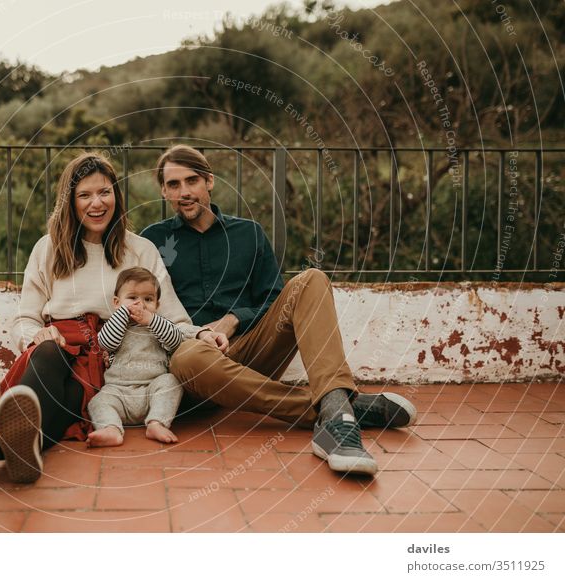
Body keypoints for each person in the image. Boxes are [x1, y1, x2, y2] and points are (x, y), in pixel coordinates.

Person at [0, 152, 223, 486]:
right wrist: (36, 335)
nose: (97, 203)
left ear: (117, 198)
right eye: (85, 195)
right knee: (48, 355)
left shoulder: (141, 250)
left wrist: (202, 334)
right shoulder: (47, 249)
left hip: (107, 361)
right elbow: (25, 317)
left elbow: (172, 317)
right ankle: (3, 447)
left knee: (69, 400)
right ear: (70, 202)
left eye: (104, 192)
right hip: (55, 352)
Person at [141, 145, 417, 476]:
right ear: (163, 190)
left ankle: (334, 416)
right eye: (174, 185)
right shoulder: (153, 241)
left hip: (251, 348)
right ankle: (336, 408)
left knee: (311, 279)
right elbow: (144, 304)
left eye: (192, 180)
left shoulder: (248, 233)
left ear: (209, 181)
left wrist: (233, 320)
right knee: (186, 357)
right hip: (195, 365)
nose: (184, 192)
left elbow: (272, 297)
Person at [86, 267, 184, 447]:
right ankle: (111, 428)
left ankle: (157, 423)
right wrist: (123, 314)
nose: (140, 304)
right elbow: (104, 343)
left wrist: (152, 320)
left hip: (152, 391)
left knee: (171, 381)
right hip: (118, 392)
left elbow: (176, 340)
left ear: (157, 305)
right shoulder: (114, 327)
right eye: (132, 298)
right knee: (97, 401)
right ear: (116, 302)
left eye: (148, 299)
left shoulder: (159, 326)